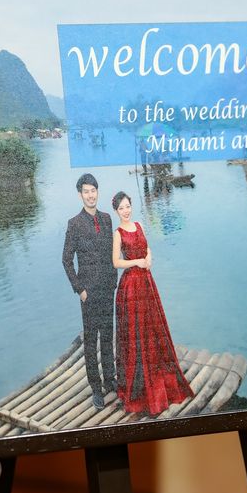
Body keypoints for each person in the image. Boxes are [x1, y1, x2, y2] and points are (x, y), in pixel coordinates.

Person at [112, 191, 193, 415]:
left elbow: (147, 247)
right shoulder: (118, 233)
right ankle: (140, 385)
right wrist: (137, 262)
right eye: (121, 208)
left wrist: (149, 258)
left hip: (147, 282)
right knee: (136, 333)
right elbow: (116, 262)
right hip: (130, 287)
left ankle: (159, 376)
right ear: (116, 211)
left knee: (153, 330)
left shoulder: (139, 225)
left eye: (127, 206)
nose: (126, 211)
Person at [62, 174, 118, 410]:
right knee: (91, 339)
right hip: (89, 292)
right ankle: (96, 388)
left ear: (97, 192)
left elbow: (112, 253)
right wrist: (80, 289)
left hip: (107, 288)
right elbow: (66, 260)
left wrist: (113, 281)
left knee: (107, 336)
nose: (90, 195)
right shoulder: (74, 223)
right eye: (86, 191)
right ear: (80, 195)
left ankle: (110, 380)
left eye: (93, 190)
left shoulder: (106, 219)